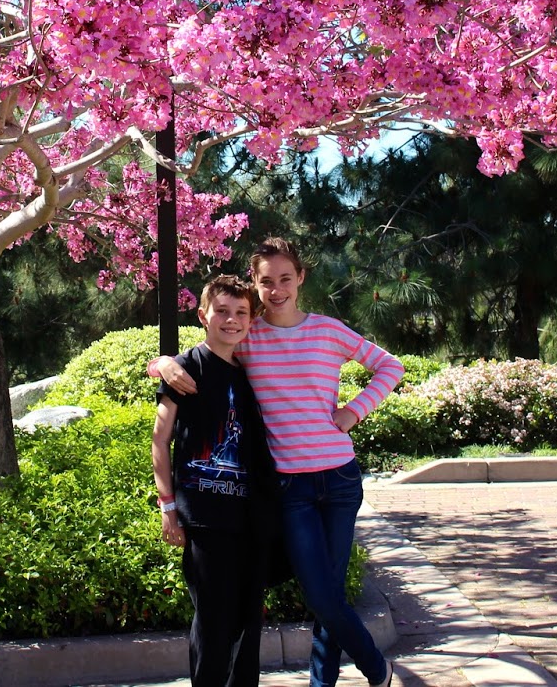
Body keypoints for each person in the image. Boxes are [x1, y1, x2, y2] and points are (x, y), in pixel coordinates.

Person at [152, 238, 403, 687]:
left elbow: (390, 367)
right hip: (291, 488)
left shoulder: (329, 330)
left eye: (286, 278)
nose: (277, 289)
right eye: (266, 281)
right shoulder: (250, 335)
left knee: (329, 592)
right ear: (255, 284)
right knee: (321, 594)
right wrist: (163, 363)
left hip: (340, 481)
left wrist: (353, 412)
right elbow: (205, 357)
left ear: (301, 278)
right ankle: (377, 669)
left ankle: (322, 683)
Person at [153, 274, 277, 687]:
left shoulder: (251, 371)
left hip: (251, 518)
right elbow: (160, 439)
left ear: (251, 318)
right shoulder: (187, 367)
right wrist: (168, 508)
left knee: (247, 623)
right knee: (212, 622)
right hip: (205, 519)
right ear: (203, 315)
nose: (231, 320)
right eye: (222, 311)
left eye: (241, 312)